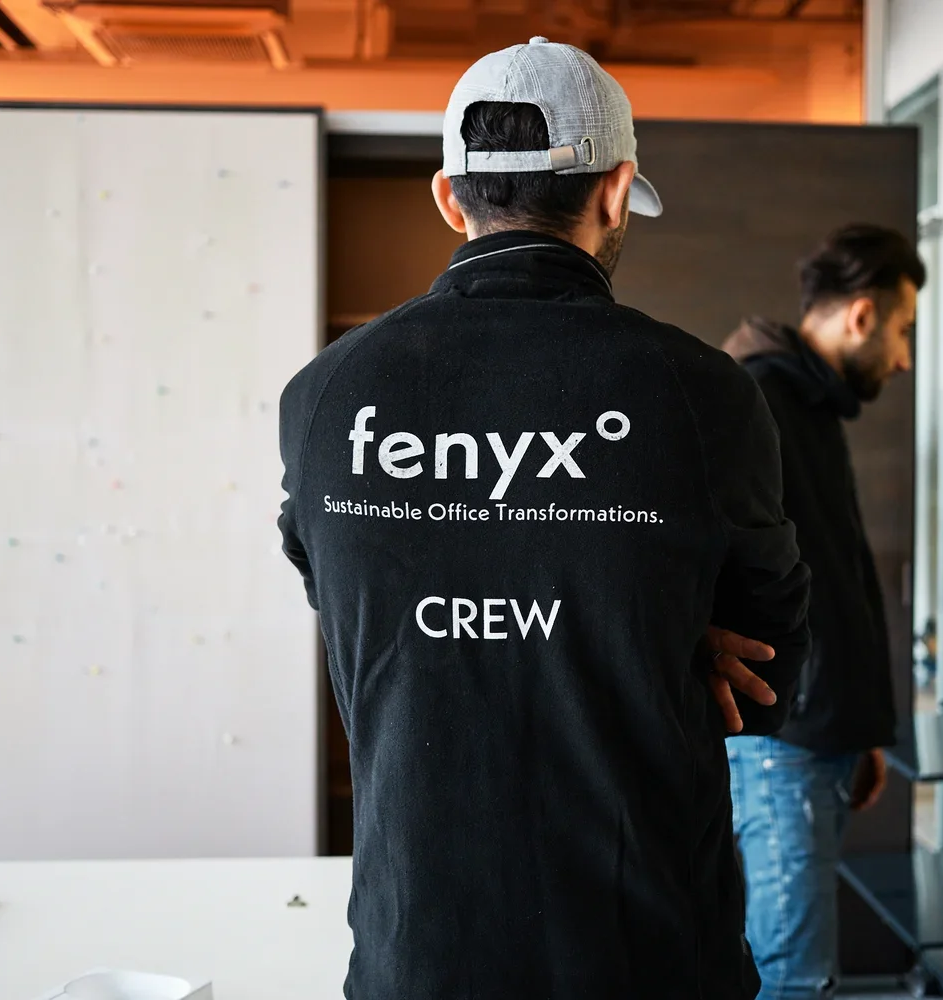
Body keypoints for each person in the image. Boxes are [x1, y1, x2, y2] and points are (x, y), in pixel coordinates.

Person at [277, 37, 811, 1000]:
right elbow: (772, 662)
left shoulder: (325, 393)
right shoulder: (700, 391)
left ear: (451, 197)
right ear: (615, 192)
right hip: (641, 946)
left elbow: (335, 578)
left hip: (416, 949)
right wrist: (647, 629)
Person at [722, 224, 924, 999]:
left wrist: (863, 727)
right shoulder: (759, 397)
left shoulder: (811, 403)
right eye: (903, 330)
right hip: (786, 744)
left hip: (818, 737)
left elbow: (832, 582)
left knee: (795, 968)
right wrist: (822, 718)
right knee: (794, 978)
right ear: (863, 315)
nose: (903, 358)